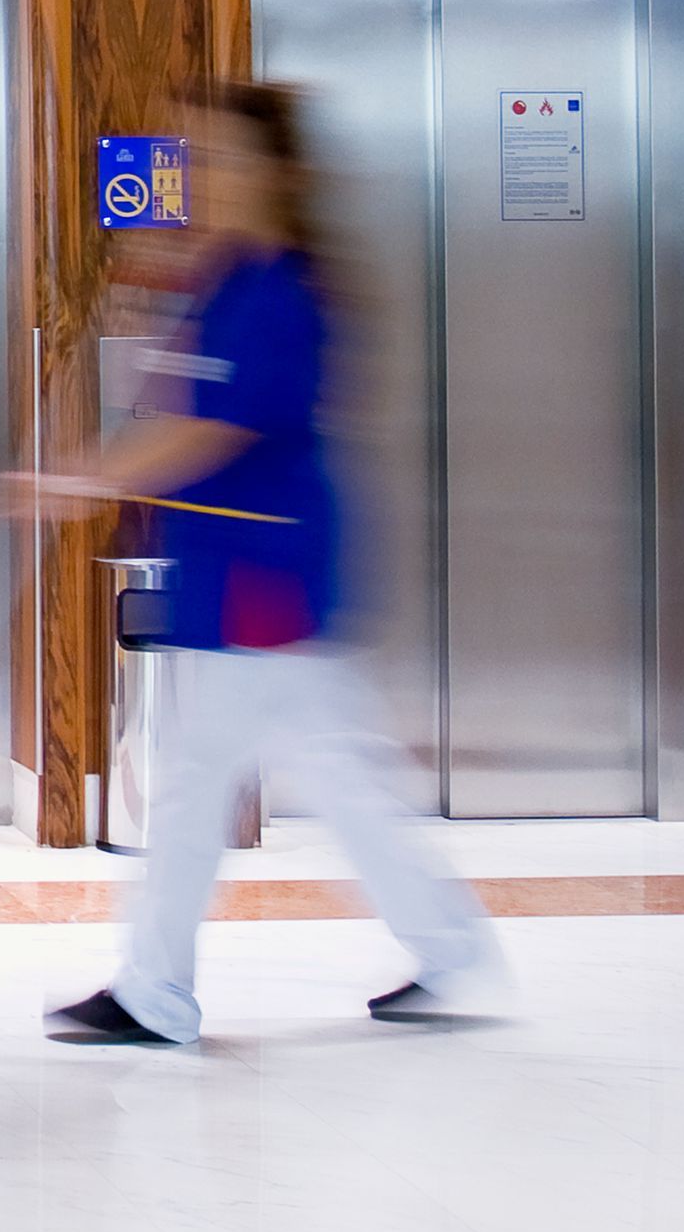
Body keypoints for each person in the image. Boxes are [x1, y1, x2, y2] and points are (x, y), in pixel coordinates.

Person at [30, 83, 494, 1045]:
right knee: (332, 771)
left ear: (274, 174)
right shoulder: (229, 278)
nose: (202, 177)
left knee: (206, 779)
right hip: (235, 568)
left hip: (261, 577)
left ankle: (157, 990)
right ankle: (450, 945)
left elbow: (210, 429)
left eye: (223, 159)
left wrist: (77, 482)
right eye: (196, 159)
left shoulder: (279, 290)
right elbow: (180, 407)